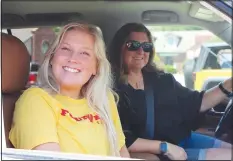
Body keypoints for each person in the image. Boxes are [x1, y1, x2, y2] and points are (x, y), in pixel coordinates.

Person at [108, 22, 232, 160]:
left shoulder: (163, 80)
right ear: (120, 48)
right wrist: (164, 147)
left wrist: (228, 85)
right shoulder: (111, 90)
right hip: (157, 152)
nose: (141, 51)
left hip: (183, 139)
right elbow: (121, 139)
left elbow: (197, 103)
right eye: (133, 45)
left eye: (146, 46)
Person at [9, 22, 130, 158]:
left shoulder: (104, 99)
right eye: (66, 49)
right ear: (52, 58)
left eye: (84, 53)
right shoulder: (35, 100)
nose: (73, 59)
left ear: (96, 67)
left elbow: (121, 152)